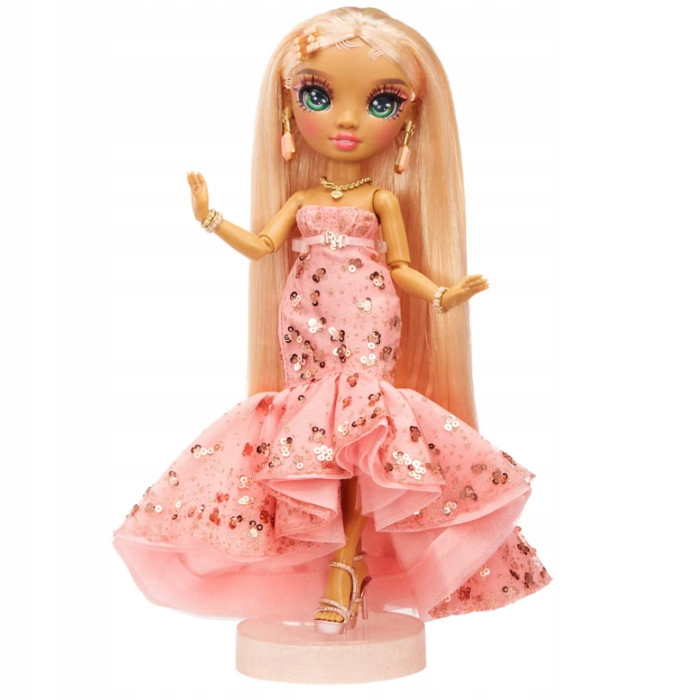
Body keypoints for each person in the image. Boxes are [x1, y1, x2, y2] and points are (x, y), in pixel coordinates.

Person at [113, 6, 550, 634]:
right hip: (307, 323)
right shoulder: (301, 198)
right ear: (288, 112)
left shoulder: (381, 198)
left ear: (407, 125)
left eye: (380, 103)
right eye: (318, 96)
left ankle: (347, 564)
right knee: (317, 436)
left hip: (369, 323)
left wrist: (443, 294)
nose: (346, 120)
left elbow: (400, 267)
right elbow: (263, 246)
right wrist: (210, 217)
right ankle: (341, 564)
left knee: (363, 435)